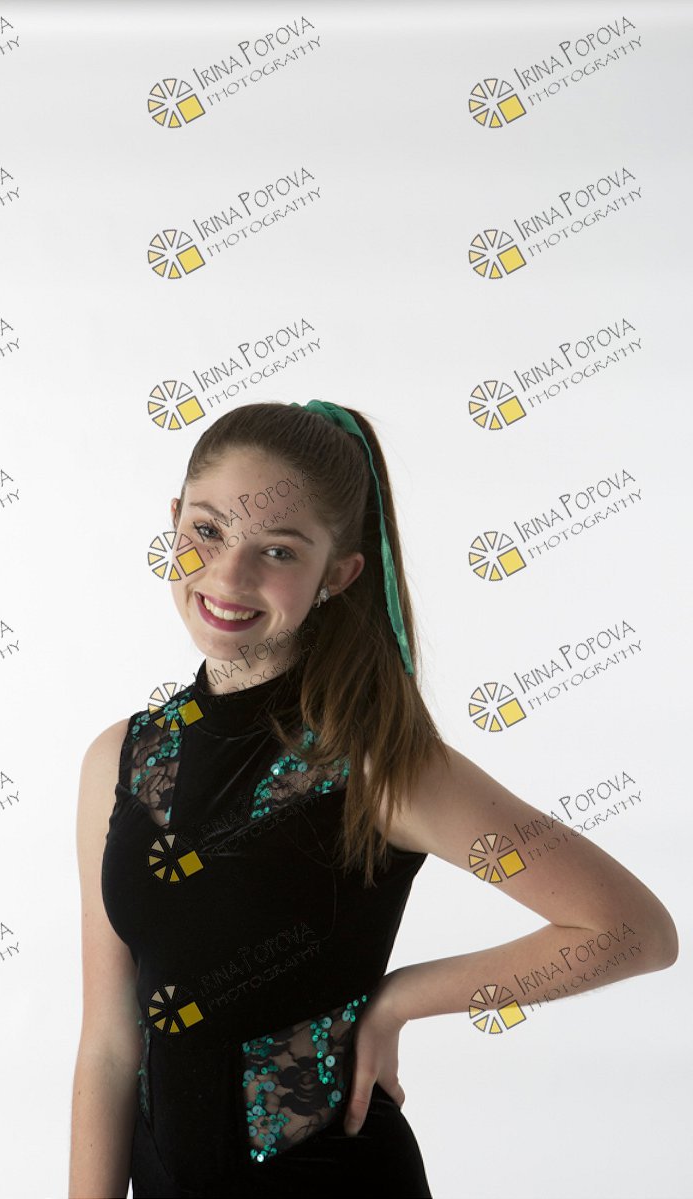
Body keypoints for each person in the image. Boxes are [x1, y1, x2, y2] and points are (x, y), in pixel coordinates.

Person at [68, 400, 678, 1199]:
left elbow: (631, 930)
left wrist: (397, 999)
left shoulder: (380, 766)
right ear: (174, 520)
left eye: (278, 550)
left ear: (339, 573)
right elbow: (111, 1043)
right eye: (208, 530)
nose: (228, 575)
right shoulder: (121, 759)